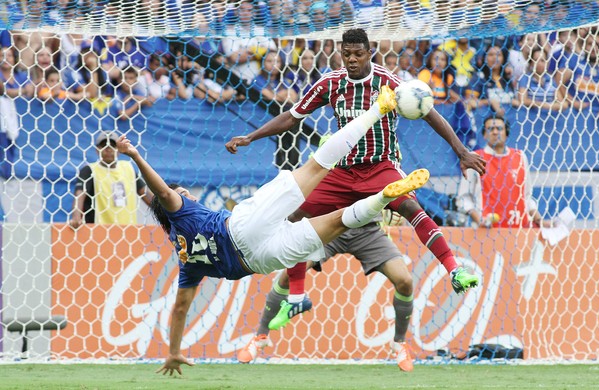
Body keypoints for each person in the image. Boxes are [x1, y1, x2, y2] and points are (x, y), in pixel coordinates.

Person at [122, 86, 427, 375]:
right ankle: (379, 108)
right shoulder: (182, 211)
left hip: (258, 262)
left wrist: (174, 350)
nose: (187, 195)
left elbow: (180, 309)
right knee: (317, 166)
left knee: (338, 221)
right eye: (183, 193)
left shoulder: (186, 259)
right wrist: (135, 156)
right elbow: (163, 194)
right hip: (240, 229)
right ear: (178, 199)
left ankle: (383, 197)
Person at [226, 28, 485, 331]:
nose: (351, 59)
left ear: (369, 52)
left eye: (357, 54)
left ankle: (454, 269)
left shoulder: (389, 82)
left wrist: (461, 152)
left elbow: (430, 114)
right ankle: (296, 296)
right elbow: (293, 116)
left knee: (411, 208)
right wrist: (252, 137)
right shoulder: (331, 83)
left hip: (380, 167)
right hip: (342, 171)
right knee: (293, 214)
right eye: (346, 53)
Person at [238, 220, 417, 372]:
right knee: (287, 276)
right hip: (329, 226)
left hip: (368, 231)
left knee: (405, 281)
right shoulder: (325, 177)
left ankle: (399, 343)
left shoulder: (379, 177)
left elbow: (393, 191)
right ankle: (261, 337)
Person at [456, 115, 551, 228]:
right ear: (484, 134)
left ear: (506, 133)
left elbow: (526, 196)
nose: (495, 132)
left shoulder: (520, 157)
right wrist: (478, 220)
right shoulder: (476, 158)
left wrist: (539, 220)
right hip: (487, 230)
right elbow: (463, 198)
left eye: (499, 128)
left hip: (519, 229)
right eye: (490, 129)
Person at [70, 130, 151, 228]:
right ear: (97, 150)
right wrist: (76, 216)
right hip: (99, 232)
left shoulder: (128, 168)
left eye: (112, 145)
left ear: (118, 149)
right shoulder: (89, 170)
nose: (108, 149)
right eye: (104, 145)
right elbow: (80, 194)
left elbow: (145, 193)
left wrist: (164, 210)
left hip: (129, 231)